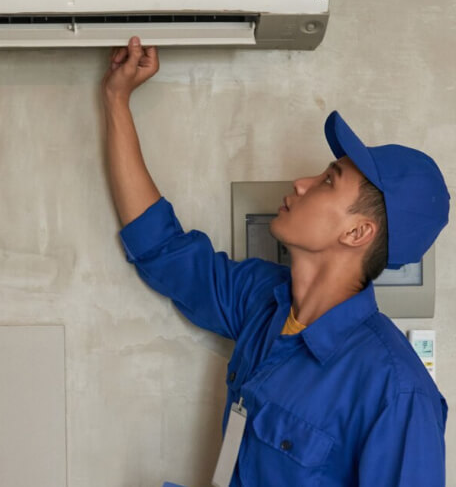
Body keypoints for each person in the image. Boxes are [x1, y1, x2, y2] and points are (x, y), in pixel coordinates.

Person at [102, 36, 450, 486]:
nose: (302, 182)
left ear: (357, 232)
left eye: (328, 181)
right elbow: (162, 249)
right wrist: (116, 99)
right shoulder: (261, 301)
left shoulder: (397, 392)